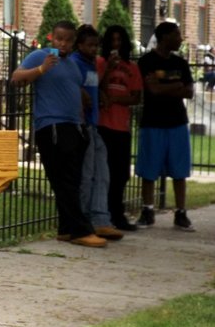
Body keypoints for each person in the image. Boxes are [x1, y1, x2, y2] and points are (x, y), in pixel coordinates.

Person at [11, 21, 106, 248]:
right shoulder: (40, 56)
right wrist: (42, 69)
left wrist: (83, 96)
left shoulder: (71, 65)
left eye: (68, 40)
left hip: (75, 126)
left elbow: (70, 85)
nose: (63, 44)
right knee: (65, 181)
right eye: (59, 39)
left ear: (73, 42)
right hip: (52, 127)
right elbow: (16, 79)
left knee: (70, 179)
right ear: (51, 37)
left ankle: (65, 229)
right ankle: (80, 230)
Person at [135, 22, 194, 231]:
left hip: (177, 122)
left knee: (179, 170)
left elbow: (189, 91)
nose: (180, 39)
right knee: (149, 169)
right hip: (153, 122)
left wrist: (164, 87)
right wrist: (175, 86)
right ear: (164, 37)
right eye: (177, 35)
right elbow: (152, 91)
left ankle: (180, 213)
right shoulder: (146, 61)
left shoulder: (181, 63)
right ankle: (147, 211)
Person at [71, 25, 123, 241]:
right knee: (87, 174)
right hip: (82, 124)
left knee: (103, 172)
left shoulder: (90, 63)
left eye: (96, 45)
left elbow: (95, 85)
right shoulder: (74, 63)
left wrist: (107, 73)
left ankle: (101, 218)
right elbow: (71, 86)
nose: (94, 49)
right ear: (80, 44)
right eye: (90, 45)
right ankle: (83, 219)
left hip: (94, 123)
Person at [97, 25, 142, 231]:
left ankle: (118, 214)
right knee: (103, 172)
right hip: (103, 125)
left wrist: (117, 98)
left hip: (121, 127)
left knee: (121, 173)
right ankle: (103, 214)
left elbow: (136, 97)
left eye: (119, 40)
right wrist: (108, 68)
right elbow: (98, 88)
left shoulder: (132, 67)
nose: (116, 45)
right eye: (112, 40)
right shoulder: (100, 63)